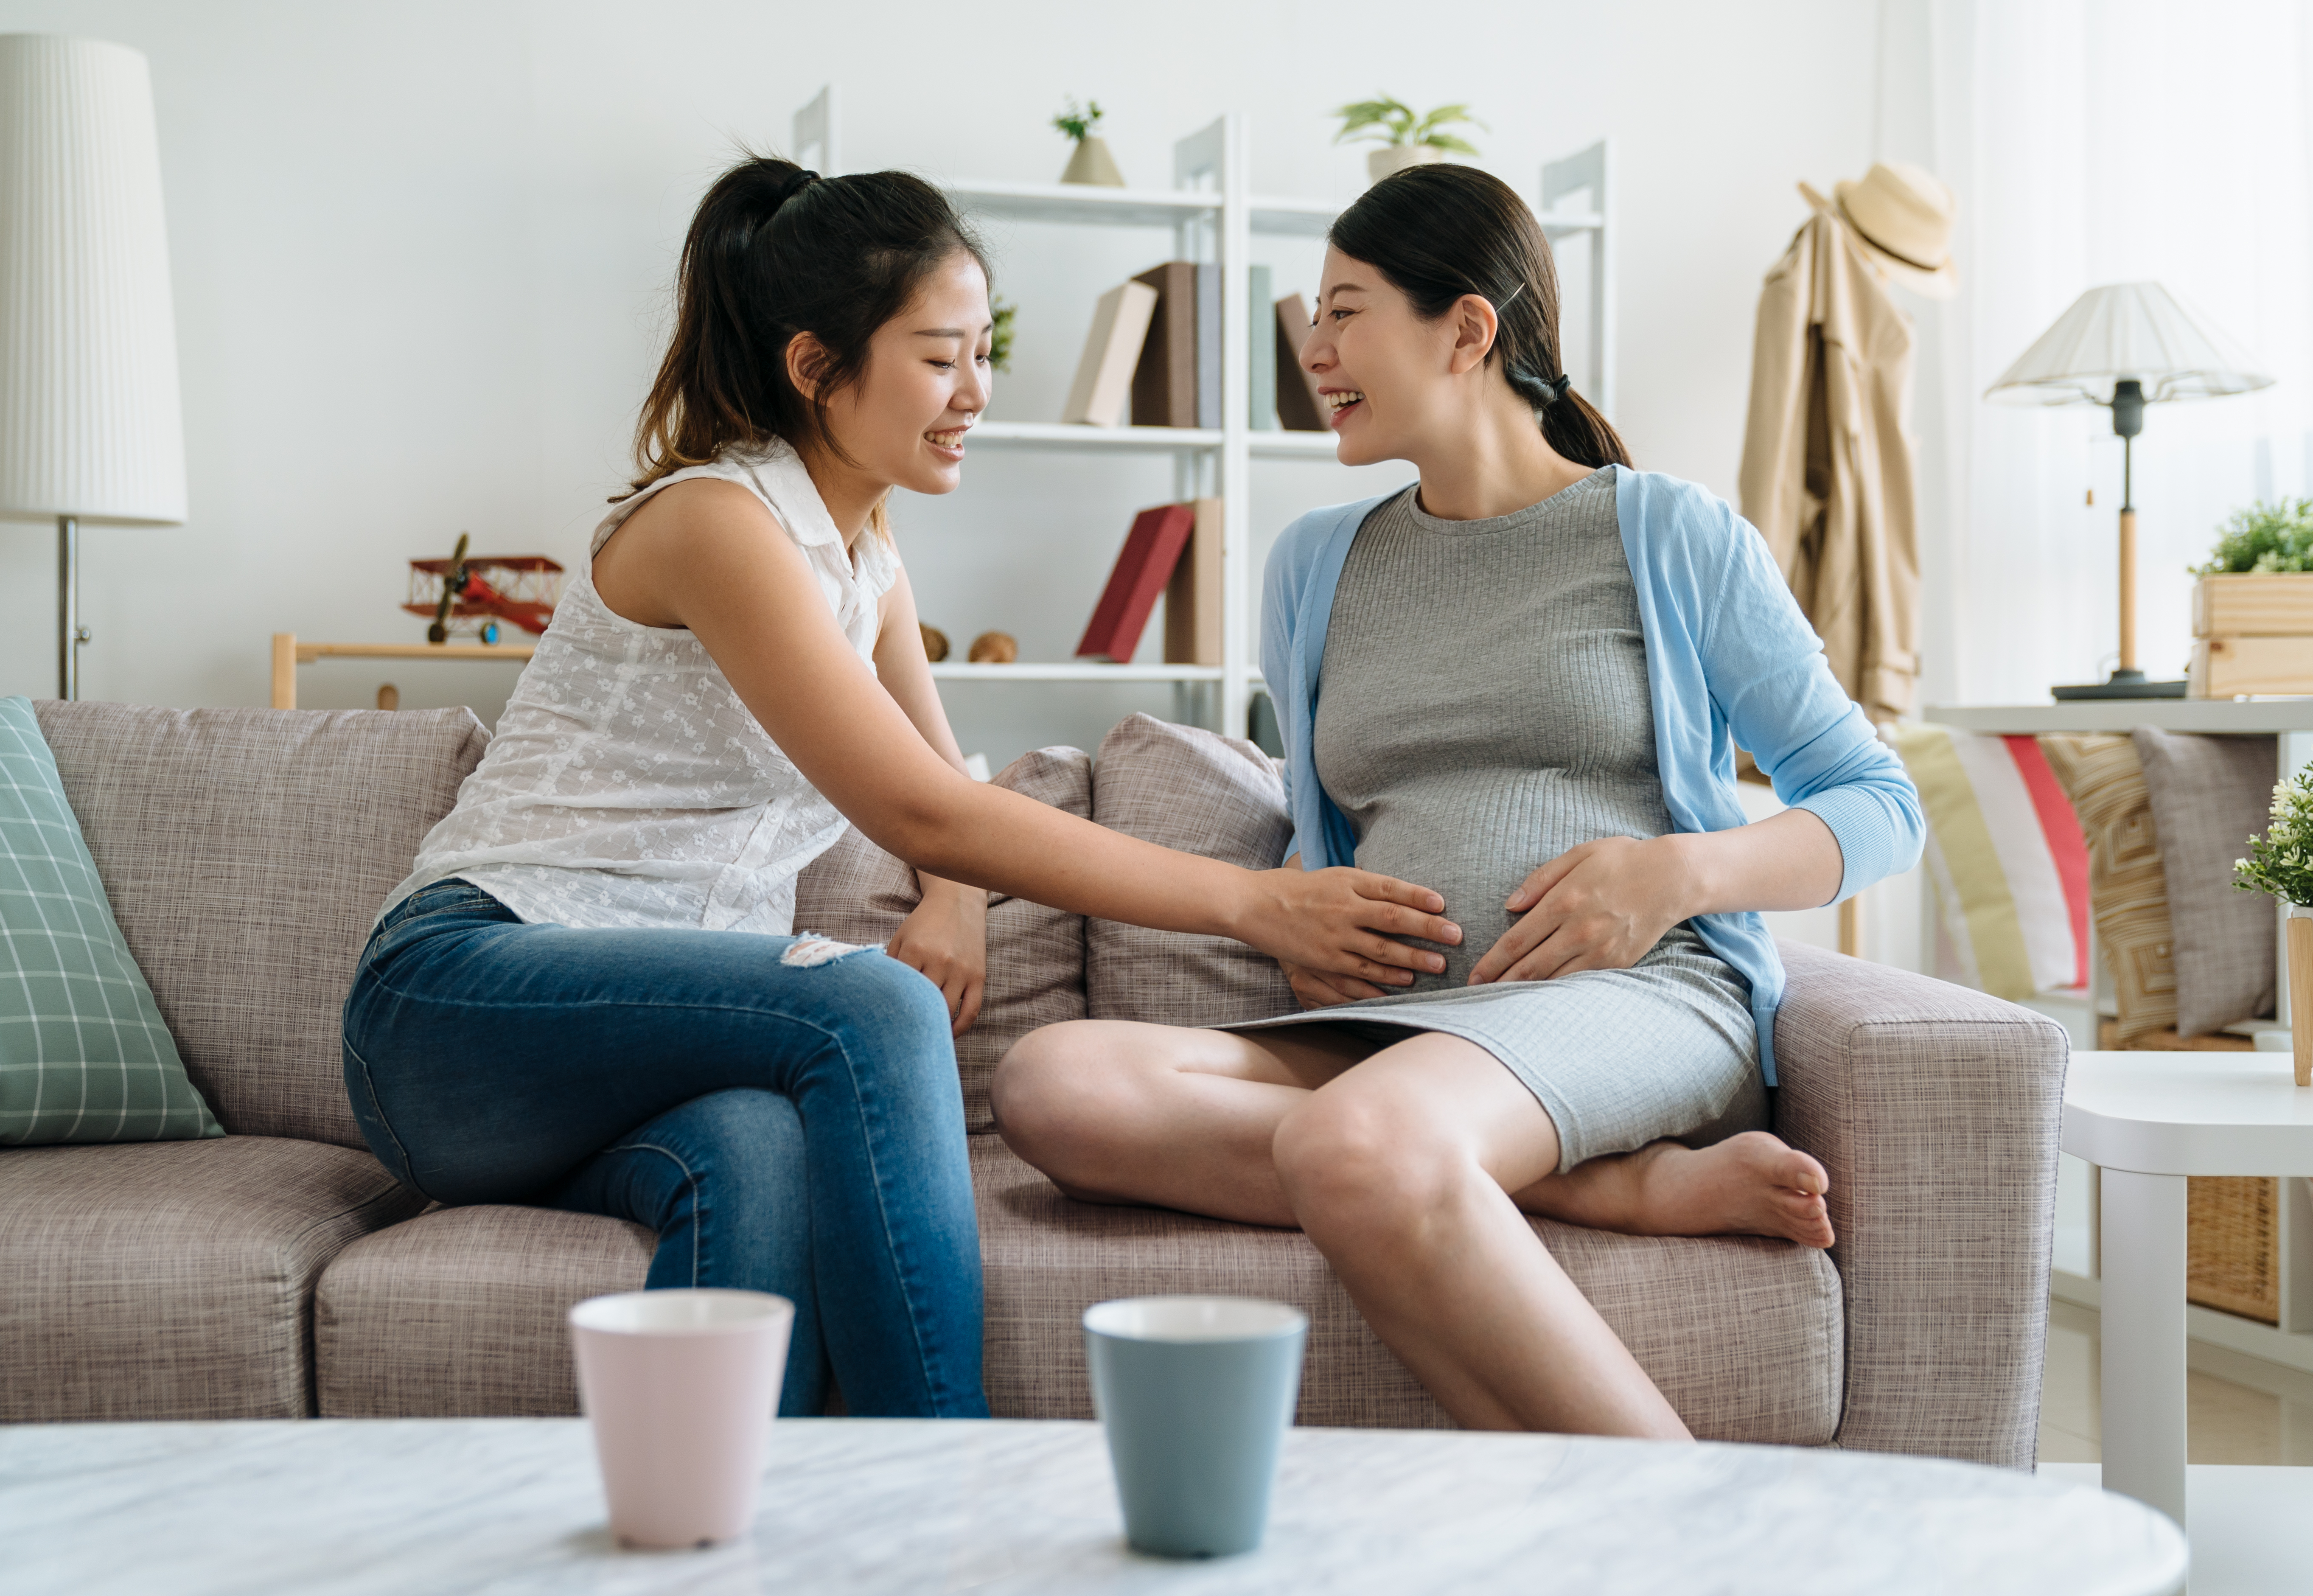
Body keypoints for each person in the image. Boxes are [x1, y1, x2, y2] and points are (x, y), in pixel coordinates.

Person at [339, 157, 1460, 1420]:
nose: (974, 392)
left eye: (985, 352)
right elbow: (925, 813)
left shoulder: (865, 556)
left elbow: (943, 790)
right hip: (458, 1000)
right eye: (939, 357)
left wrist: (962, 903)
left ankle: (722, 1528)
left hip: (620, 1053)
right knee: (866, 1006)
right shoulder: (718, 524)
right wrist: (1254, 906)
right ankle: (950, 1488)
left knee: (757, 1158)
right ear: (816, 365)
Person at [990, 163, 1924, 1440]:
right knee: (1055, 1083)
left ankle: (1701, 1538)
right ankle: (1617, 1190)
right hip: (1401, 1034)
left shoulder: (1663, 532)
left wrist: (1679, 875)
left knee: (1352, 1145)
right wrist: (1291, 914)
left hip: (1637, 1004)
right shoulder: (1315, 561)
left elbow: (1877, 802)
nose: (1313, 351)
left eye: (1343, 311)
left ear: (1467, 329)